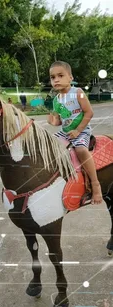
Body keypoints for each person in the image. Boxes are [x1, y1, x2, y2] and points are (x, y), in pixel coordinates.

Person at [48, 60, 102, 204]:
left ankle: (95, 184)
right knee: (48, 145)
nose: (56, 79)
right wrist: (53, 121)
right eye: (53, 77)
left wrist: (78, 131)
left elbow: (89, 112)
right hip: (64, 132)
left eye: (60, 75)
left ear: (70, 77)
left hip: (82, 131)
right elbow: (59, 121)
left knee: (81, 150)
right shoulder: (56, 100)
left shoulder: (78, 93)